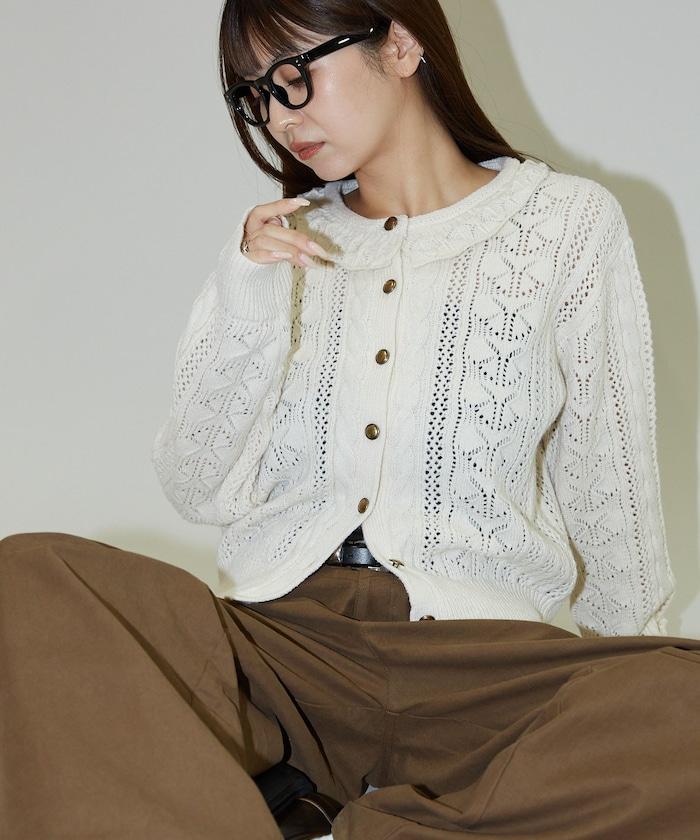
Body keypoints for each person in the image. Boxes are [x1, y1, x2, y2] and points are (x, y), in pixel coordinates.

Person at [2, 3, 699, 839]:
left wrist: (629, 673)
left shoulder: (567, 224)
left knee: (683, 700)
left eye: (294, 76)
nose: (279, 115)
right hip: (284, 657)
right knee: (29, 580)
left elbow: (607, 479)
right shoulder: (275, 250)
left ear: (400, 43)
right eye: (256, 95)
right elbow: (197, 486)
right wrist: (249, 292)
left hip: (480, 672)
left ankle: (330, 824)